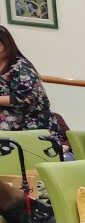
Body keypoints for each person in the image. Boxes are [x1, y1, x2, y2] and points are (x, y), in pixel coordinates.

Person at [0, 25, 70, 155]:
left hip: (31, 127)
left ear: (7, 44)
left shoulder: (20, 65)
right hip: (6, 133)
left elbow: (26, 97)